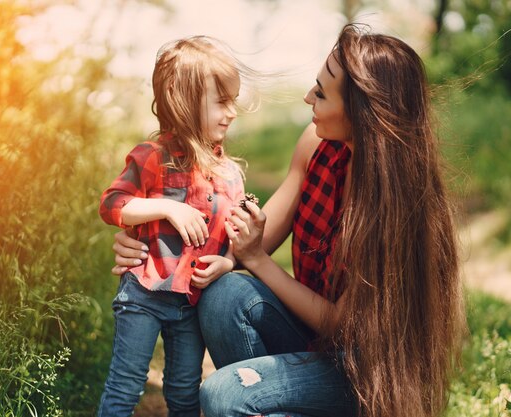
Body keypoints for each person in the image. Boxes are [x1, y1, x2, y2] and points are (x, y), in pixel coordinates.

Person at [112, 24, 466, 417]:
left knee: (224, 395)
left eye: (322, 92)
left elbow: (342, 324)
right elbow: (244, 245)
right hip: (311, 343)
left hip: (366, 377)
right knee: (223, 294)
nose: (307, 96)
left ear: (363, 111)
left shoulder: (399, 205)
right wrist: (152, 240)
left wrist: (261, 264)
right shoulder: (316, 146)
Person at [97, 36, 247, 417]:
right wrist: (166, 208)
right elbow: (113, 203)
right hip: (144, 293)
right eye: (222, 101)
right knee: (126, 385)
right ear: (184, 101)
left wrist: (228, 261)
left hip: (191, 304)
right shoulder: (152, 158)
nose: (231, 112)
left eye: (233, 101)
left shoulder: (230, 174)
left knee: (183, 392)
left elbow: (235, 237)